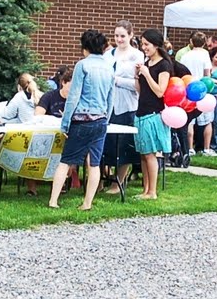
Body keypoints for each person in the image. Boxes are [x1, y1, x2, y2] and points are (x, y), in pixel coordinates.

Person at [50, 29, 115, 210]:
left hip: (81, 119)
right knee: (94, 163)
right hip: (101, 120)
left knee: (66, 160)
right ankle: (87, 203)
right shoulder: (109, 67)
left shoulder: (82, 65)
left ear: (85, 47)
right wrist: (105, 119)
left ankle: (53, 201)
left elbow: (74, 96)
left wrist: (65, 123)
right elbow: (111, 98)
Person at [131, 29, 173, 200]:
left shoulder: (164, 65)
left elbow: (159, 91)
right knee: (143, 153)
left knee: (150, 154)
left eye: (146, 44)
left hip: (153, 114)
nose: (144, 47)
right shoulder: (146, 63)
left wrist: (147, 74)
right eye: (142, 44)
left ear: (156, 45)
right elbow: (142, 91)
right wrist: (136, 77)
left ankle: (152, 191)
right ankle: (146, 189)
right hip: (141, 111)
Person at [103, 21, 143, 193]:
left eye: (122, 36)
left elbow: (137, 84)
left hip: (127, 104)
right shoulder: (108, 54)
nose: (119, 39)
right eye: (116, 36)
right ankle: (103, 178)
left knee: (124, 144)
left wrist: (117, 81)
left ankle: (118, 182)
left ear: (130, 35)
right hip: (108, 105)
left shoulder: (137, 55)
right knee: (107, 144)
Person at [178, 33, 212, 157]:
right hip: (201, 88)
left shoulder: (185, 55)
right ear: (204, 43)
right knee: (207, 120)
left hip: (187, 88)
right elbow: (207, 74)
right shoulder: (205, 55)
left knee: (189, 121)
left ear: (191, 41)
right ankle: (206, 148)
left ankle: (190, 147)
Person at [198, 48, 217, 155]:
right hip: (207, 96)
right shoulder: (208, 67)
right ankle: (204, 144)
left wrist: (214, 81)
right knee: (206, 120)